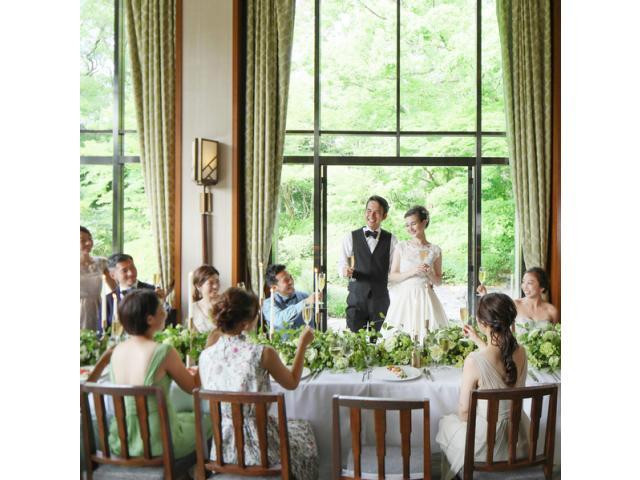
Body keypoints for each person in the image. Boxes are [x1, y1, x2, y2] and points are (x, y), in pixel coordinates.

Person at [199, 288, 319, 480]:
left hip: (222, 450)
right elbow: (292, 383)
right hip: (262, 451)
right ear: (246, 323)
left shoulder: (205, 355)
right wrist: (302, 345)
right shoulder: (262, 353)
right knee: (304, 429)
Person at [88, 289, 204, 459]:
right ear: (150, 319)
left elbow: (89, 384)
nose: (165, 312)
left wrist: (102, 361)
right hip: (160, 442)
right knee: (207, 420)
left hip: (122, 441)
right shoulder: (163, 351)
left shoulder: (116, 351)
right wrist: (205, 357)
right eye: (161, 309)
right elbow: (193, 387)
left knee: (186, 418)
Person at [436, 293, 530, 480]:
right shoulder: (522, 352)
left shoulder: (474, 361)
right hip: (520, 442)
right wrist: (478, 340)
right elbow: (500, 360)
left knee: (445, 423)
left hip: (487, 449)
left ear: (482, 323)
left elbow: (464, 413)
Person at [382, 206, 448, 341]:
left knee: (428, 337)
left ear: (424, 222)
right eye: (407, 225)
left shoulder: (435, 250)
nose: (410, 228)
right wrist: (413, 271)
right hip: (405, 298)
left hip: (426, 297)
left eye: (413, 223)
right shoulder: (401, 247)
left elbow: (438, 282)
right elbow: (392, 276)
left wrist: (429, 273)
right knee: (401, 337)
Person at [338, 195, 398, 333]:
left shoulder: (392, 240)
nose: (371, 215)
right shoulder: (350, 237)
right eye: (369, 211)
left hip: (380, 300)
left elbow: (394, 271)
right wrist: (344, 270)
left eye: (376, 212)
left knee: (378, 342)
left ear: (384, 216)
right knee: (353, 341)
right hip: (356, 298)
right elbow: (342, 262)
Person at [477, 267, 559, 330]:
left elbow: (556, 339)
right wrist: (484, 296)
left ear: (542, 287)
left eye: (529, 283)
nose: (524, 287)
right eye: (523, 282)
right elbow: (493, 317)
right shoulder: (515, 304)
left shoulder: (552, 311)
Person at [104, 253, 162, 328]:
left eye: (132, 268)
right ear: (113, 275)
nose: (131, 273)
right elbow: (103, 330)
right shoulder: (108, 300)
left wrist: (162, 302)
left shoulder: (152, 291)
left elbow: (163, 322)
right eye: (124, 271)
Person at [262, 264, 320, 331]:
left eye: (290, 277)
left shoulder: (305, 296)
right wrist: (304, 303)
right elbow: (279, 320)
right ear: (274, 288)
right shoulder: (268, 304)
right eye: (286, 280)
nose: (291, 281)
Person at [80, 226, 116, 330]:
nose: (88, 243)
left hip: (99, 308)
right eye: (82, 240)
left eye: (90, 239)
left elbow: (115, 289)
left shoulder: (101, 262)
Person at [191, 265, 221, 333]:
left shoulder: (226, 304)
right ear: (198, 286)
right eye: (210, 283)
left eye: (217, 281)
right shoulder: (193, 309)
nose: (215, 286)